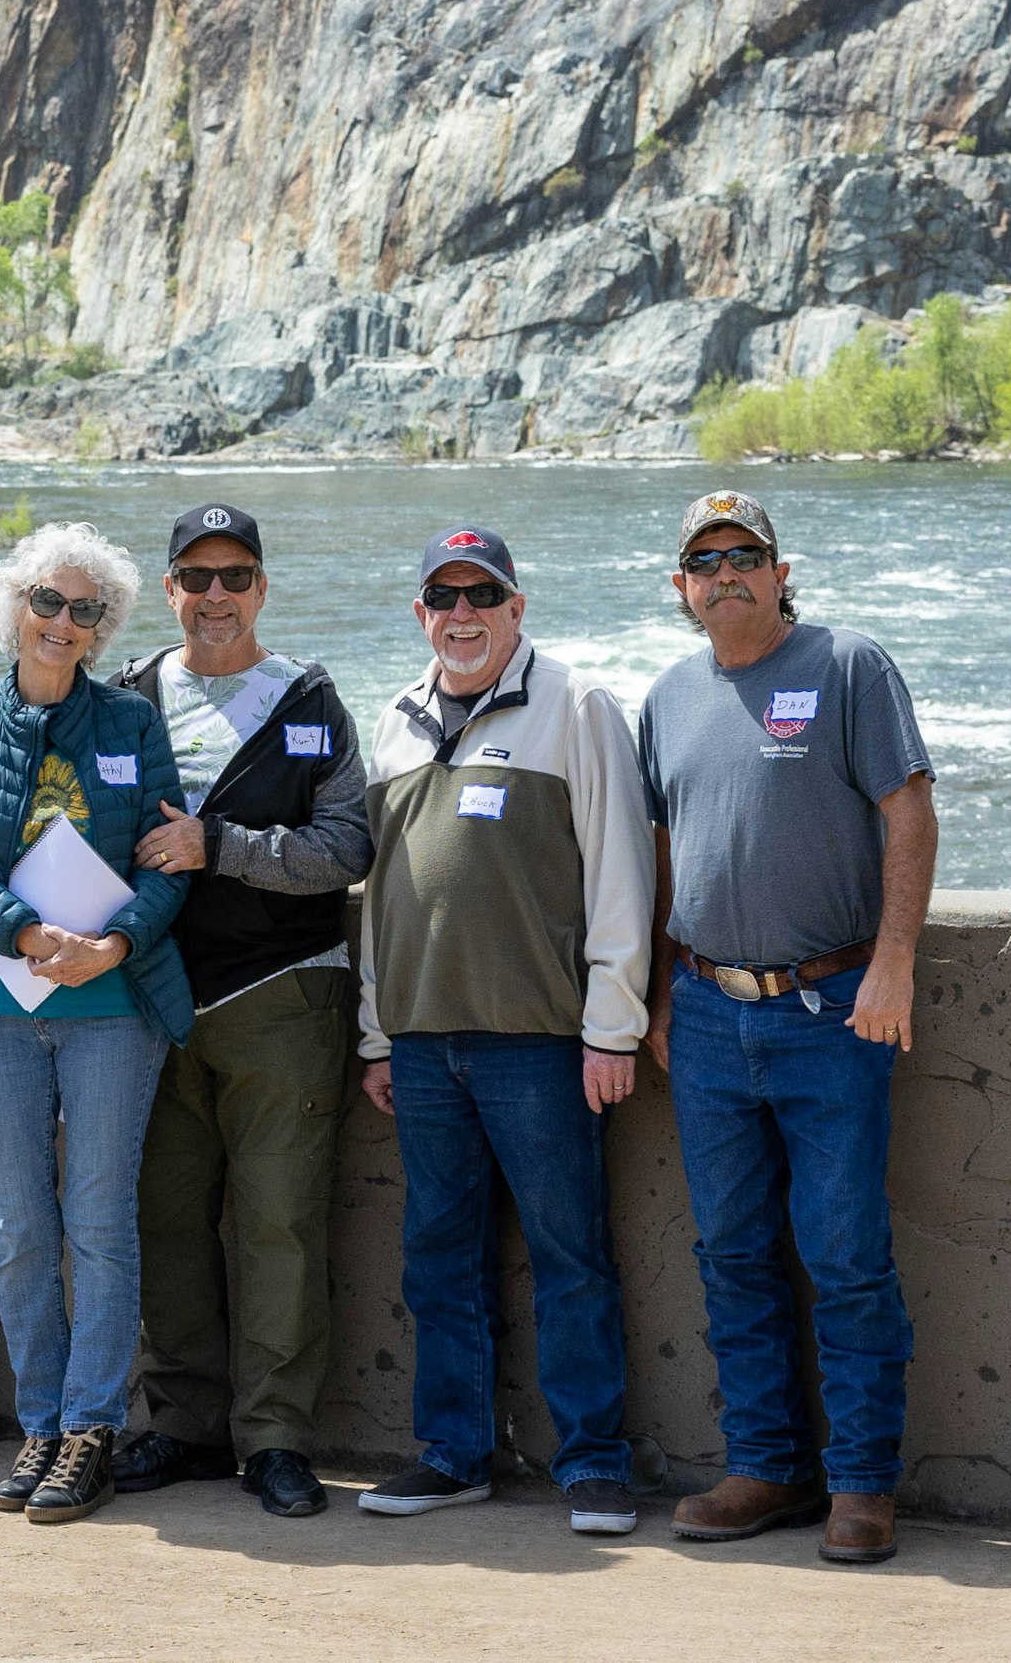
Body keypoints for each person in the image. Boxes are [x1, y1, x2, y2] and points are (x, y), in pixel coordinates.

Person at [636, 491, 935, 1565]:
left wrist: (895, 957)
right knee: (731, 1252)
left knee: (847, 1254)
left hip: (833, 1007)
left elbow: (909, 807)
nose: (725, 572)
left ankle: (861, 1483)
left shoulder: (849, 663)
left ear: (780, 568)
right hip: (710, 1011)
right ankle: (765, 1464)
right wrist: (667, 987)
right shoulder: (666, 695)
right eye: (704, 560)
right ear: (681, 586)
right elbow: (669, 847)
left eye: (744, 554)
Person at [353, 526, 653, 1538]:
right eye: (443, 595)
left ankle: (596, 1463)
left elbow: (621, 871)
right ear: (421, 611)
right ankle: (454, 1452)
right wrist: (374, 1034)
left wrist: (613, 1025)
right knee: (439, 1254)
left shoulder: (577, 705)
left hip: (543, 1042)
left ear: (518, 607)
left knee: (572, 1254)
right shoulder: (391, 721)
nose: (462, 613)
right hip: (424, 1041)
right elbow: (379, 900)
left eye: (483, 594)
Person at [0, 524, 194, 1525]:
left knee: (101, 1221)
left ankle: (89, 1428)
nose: (61, 622)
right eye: (45, 600)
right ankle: (39, 1418)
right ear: (14, 607)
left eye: (83, 608)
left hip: (116, 1007)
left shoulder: (131, 720)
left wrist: (112, 945)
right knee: (24, 1223)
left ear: (104, 623)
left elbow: (171, 862)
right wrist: (28, 932)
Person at [113, 502, 370, 1519]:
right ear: (168, 587)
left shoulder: (311, 701)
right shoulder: (125, 696)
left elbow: (346, 849)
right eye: (195, 575)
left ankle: (273, 1440)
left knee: (281, 1226)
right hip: (148, 996)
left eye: (236, 575)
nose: (215, 594)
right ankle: (182, 1424)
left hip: (280, 994)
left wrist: (218, 845)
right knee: (165, 1220)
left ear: (262, 587)